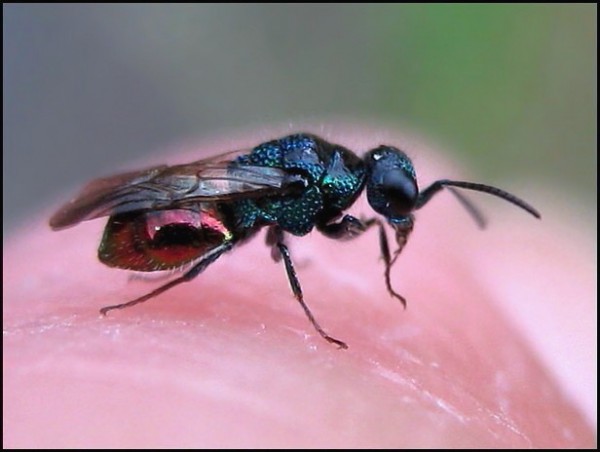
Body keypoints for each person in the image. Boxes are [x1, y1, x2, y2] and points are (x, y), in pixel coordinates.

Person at [3, 126, 595, 447]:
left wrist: (390, 261)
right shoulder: (313, 179)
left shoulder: (330, 176)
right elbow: (290, 231)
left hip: (209, 204)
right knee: (227, 240)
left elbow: (321, 227)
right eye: (395, 200)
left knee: (253, 230)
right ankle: (144, 295)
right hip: (167, 225)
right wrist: (312, 318)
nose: (394, 212)